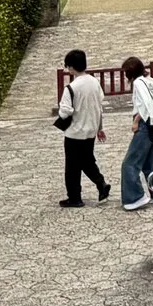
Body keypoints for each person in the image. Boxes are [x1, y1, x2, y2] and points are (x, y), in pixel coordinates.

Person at [52, 49, 109, 207]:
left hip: (75, 132)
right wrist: (99, 127)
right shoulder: (94, 82)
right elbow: (99, 106)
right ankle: (100, 183)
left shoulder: (71, 88)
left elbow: (65, 112)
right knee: (87, 160)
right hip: (91, 129)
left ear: (70, 67)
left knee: (72, 167)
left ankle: (75, 197)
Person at [118, 56, 153, 212]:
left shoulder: (138, 83)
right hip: (152, 122)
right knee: (149, 160)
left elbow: (146, 104)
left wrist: (136, 121)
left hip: (145, 124)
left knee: (130, 163)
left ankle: (135, 197)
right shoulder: (149, 80)